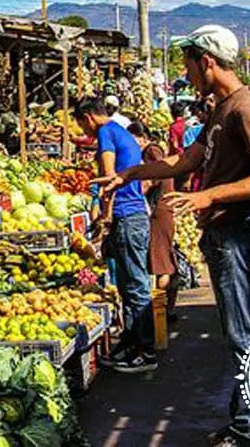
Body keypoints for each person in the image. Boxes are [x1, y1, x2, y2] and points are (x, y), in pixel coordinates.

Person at [96, 24, 250, 447]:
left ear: (208, 61)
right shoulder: (220, 110)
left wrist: (207, 197)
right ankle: (244, 420)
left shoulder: (245, 109)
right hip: (221, 234)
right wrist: (130, 173)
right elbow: (184, 161)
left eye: (188, 63)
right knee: (237, 332)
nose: (186, 71)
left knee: (242, 334)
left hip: (235, 232)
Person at [74, 99, 155, 373]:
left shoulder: (106, 132)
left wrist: (104, 218)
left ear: (87, 117)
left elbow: (109, 178)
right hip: (132, 216)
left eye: (81, 125)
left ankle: (146, 350)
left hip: (128, 217)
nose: (84, 132)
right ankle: (131, 346)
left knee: (135, 285)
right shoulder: (122, 131)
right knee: (127, 286)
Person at [128, 122, 179, 322]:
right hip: (163, 209)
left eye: (133, 140)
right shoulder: (153, 150)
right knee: (164, 258)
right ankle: (167, 309)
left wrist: (140, 186)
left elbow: (156, 172)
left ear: (141, 137)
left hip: (159, 211)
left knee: (161, 263)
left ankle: (160, 311)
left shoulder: (151, 150)